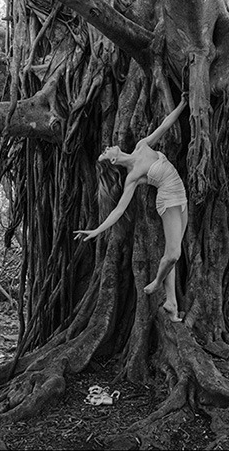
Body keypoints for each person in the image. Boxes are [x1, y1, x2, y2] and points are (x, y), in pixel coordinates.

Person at [74, 93, 189, 322]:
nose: (108, 147)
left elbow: (165, 125)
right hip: (167, 200)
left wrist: (182, 104)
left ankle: (172, 303)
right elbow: (118, 210)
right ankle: (157, 282)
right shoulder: (132, 177)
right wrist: (97, 230)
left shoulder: (142, 146)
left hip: (181, 195)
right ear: (113, 161)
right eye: (106, 152)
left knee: (171, 250)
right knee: (174, 254)